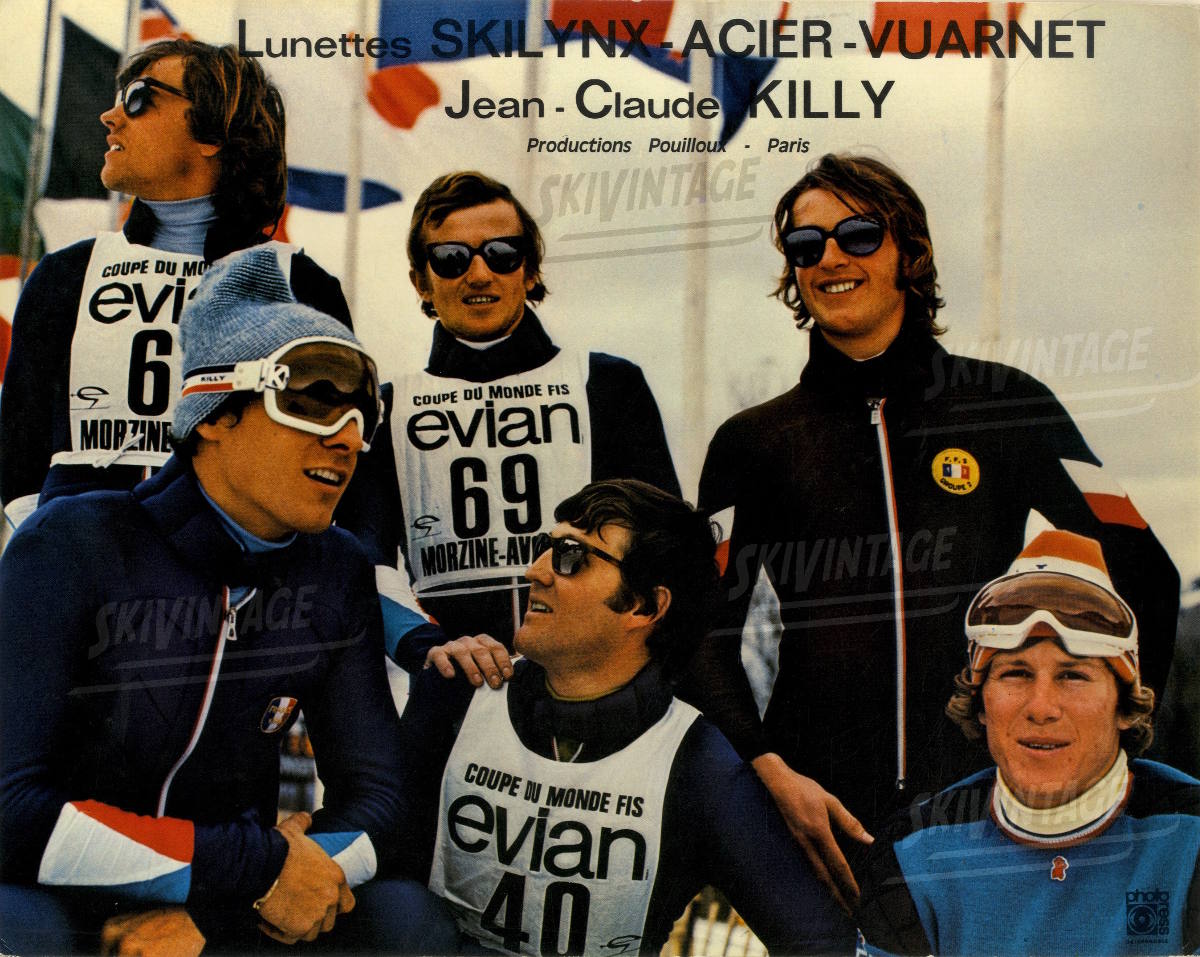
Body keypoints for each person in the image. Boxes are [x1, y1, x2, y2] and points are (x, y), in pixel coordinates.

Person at [685, 153, 1180, 908]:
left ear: (908, 251)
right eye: (806, 246)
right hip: (813, 824)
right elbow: (700, 629)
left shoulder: (1008, 403)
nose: (830, 258)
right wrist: (768, 769)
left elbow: (1145, 567)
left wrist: (1117, 745)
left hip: (980, 818)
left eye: (858, 234)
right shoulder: (750, 442)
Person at [0, 248, 455, 955]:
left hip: (225, 900)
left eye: (361, 413)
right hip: (64, 892)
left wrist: (226, 908)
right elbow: (8, 807)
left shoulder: (335, 570)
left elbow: (383, 800)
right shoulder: (73, 541)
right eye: (310, 399)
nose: (346, 437)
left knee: (407, 921)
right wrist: (254, 866)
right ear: (212, 415)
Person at [387, 479, 854, 955]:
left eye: (571, 556)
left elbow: (823, 943)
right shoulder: (458, 691)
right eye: (545, 547)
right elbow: (370, 870)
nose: (535, 571)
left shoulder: (696, 762)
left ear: (643, 605)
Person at [339, 171, 679, 679]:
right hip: (453, 685)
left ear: (531, 269)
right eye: (451, 259)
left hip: (595, 685)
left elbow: (663, 552)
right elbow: (362, 562)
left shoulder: (608, 385)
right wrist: (425, 646)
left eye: (502, 254)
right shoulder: (386, 410)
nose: (479, 275)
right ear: (421, 281)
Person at [0, 39, 350, 529]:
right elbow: (19, 452)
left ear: (213, 133)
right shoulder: (66, 274)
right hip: (87, 559)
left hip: (235, 565)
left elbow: (331, 450)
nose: (110, 117)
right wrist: (48, 547)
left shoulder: (300, 285)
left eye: (139, 99)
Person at [854, 530, 1200, 956]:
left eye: (1072, 675)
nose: (1041, 707)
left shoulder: (1190, 837)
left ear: (1125, 706)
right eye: (1015, 674)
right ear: (980, 703)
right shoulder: (911, 852)